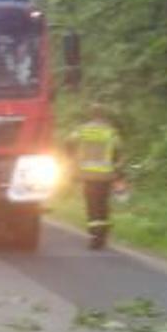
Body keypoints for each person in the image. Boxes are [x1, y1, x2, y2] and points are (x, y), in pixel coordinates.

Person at [66, 104, 123, 250]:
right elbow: (118, 150)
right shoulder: (110, 132)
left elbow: (69, 142)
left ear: (91, 115)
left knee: (92, 205)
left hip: (88, 174)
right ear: (103, 115)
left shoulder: (83, 130)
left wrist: (71, 157)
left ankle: (94, 237)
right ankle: (103, 235)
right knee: (103, 204)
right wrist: (117, 169)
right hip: (105, 175)